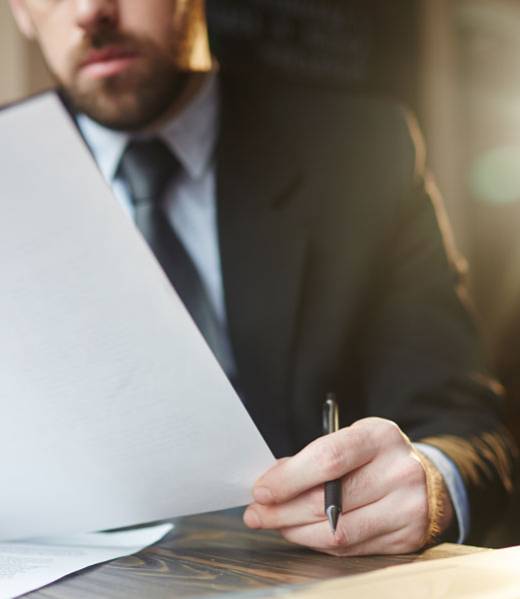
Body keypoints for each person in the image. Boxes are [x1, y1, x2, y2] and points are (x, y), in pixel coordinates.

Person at [8, 0, 517, 555]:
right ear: (20, 13)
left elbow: (471, 433)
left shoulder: (363, 153)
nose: (89, 10)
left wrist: (431, 483)